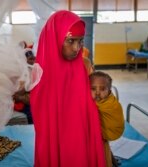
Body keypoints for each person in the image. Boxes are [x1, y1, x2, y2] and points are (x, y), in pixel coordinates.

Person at [30, 10, 106, 167]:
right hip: (56, 143)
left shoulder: (84, 66)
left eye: (80, 41)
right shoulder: (40, 72)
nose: (77, 48)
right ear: (54, 38)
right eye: (70, 41)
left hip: (81, 141)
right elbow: (42, 119)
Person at [89, 71, 125, 167]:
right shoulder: (88, 102)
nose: (97, 92)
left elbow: (116, 122)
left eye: (102, 89)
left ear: (109, 91)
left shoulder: (111, 104)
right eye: (93, 88)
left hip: (103, 140)